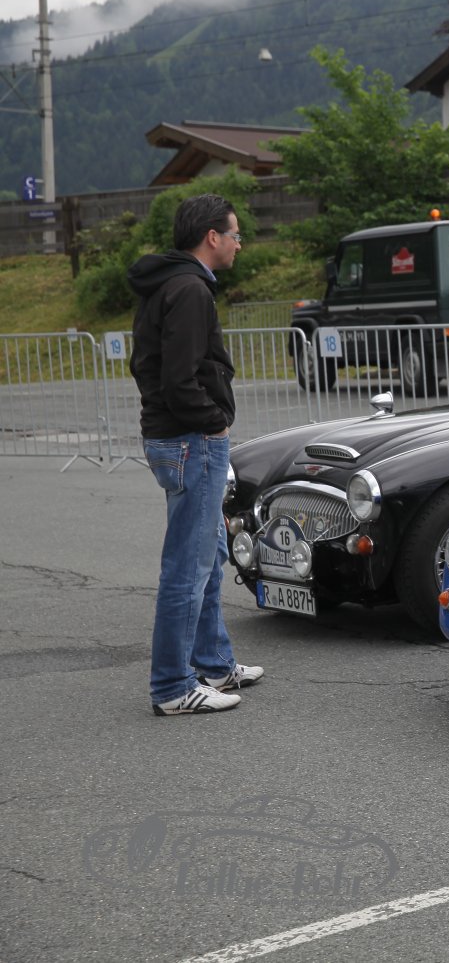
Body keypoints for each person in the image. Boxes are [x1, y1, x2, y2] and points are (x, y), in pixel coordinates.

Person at [128, 193, 264, 715]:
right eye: (234, 234)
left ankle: (213, 663)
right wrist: (215, 421)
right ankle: (172, 687)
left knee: (210, 553)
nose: (238, 243)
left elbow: (149, 367)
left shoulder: (168, 282)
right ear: (212, 236)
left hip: (178, 439)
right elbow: (178, 379)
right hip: (191, 440)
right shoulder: (189, 289)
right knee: (187, 566)